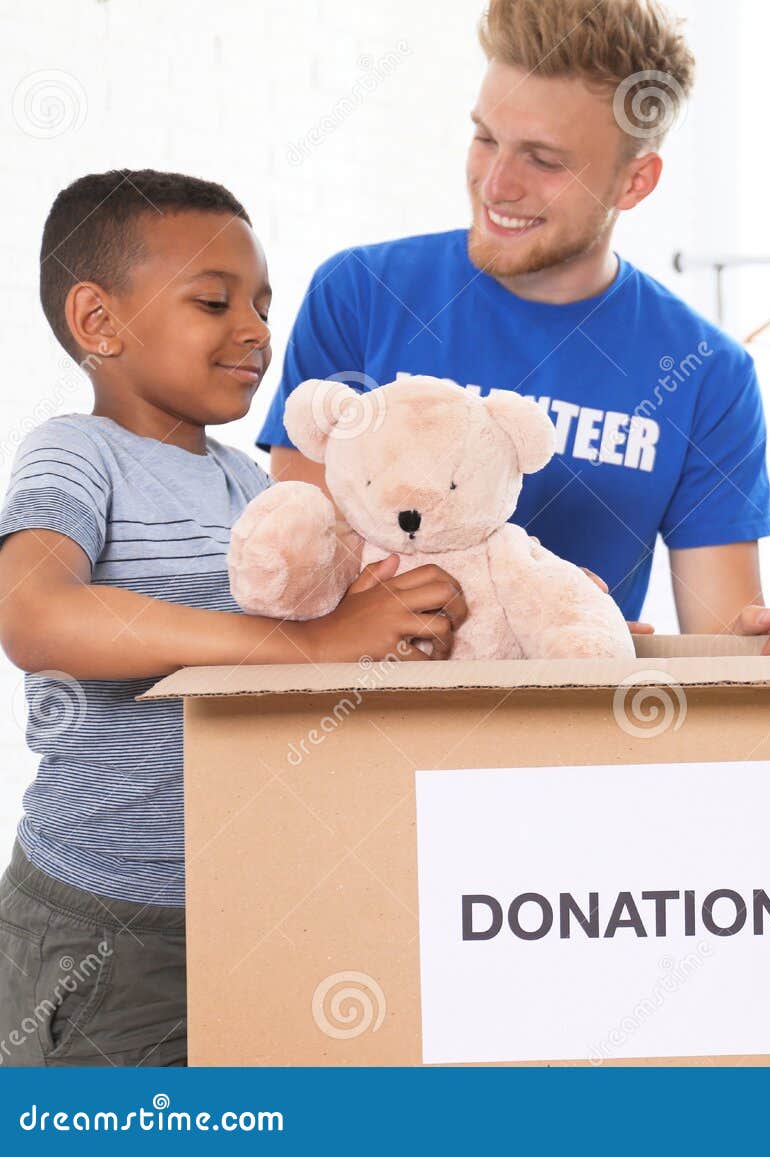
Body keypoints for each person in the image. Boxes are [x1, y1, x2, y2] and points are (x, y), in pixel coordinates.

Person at [0, 170, 469, 1067]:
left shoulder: (251, 486)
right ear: (98, 322)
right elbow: (35, 615)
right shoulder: (78, 454)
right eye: (214, 302)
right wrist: (304, 644)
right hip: (108, 929)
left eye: (262, 303)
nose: (255, 330)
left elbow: (350, 636)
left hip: (245, 909)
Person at [255, 0, 770, 656]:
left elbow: (721, 641)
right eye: (485, 137)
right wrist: (506, 619)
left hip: (571, 742)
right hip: (359, 736)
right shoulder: (359, 295)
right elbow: (301, 575)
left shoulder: (707, 372)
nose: (496, 184)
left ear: (635, 181)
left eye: (543, 161)